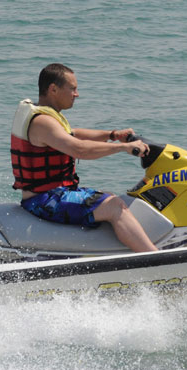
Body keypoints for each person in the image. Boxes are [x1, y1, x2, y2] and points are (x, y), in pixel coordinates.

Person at [11, 64, 159, 253]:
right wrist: (124, 147)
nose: (77, 94)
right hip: (45, 201)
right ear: (53, 89)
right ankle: (155, 258)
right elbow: (78, 148)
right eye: (72, 88)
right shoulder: (43, 122)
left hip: (49, 195)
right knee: (115, 206)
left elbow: (74, 134)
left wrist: (113, 134)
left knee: (108, 196)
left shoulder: (45, 115)